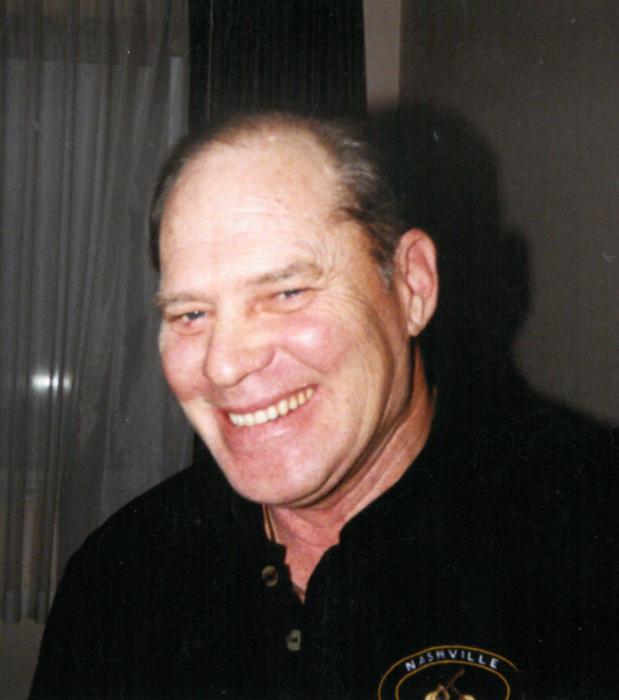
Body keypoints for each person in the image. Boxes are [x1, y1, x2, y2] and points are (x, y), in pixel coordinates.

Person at [30, 112, 618, 699]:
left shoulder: (588, 540)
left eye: (287, 292)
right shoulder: (119, 575)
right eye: (190, 314)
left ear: (412, 286)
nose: (224, 365)